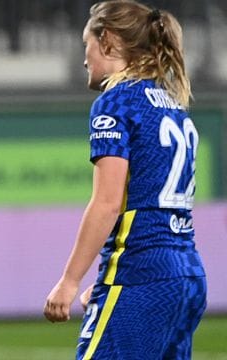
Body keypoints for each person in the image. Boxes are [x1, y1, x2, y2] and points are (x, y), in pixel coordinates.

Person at [43, 1, 206, 359]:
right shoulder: (171, 103)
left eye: (86, 44)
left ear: (108, 41)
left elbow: (107, 202)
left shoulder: (116, 102)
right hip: (187, 275)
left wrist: (69, 282)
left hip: (141, 274)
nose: (84, 59)